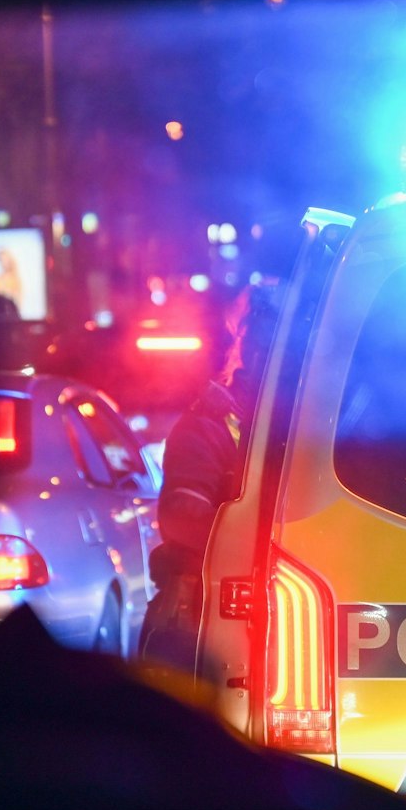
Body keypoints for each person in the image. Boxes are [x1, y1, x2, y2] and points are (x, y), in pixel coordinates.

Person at [140, 282, 281, 673]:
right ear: (252, 352)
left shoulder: (291, 430)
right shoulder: (209, 426)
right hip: (199, 626)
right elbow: (183, 519)